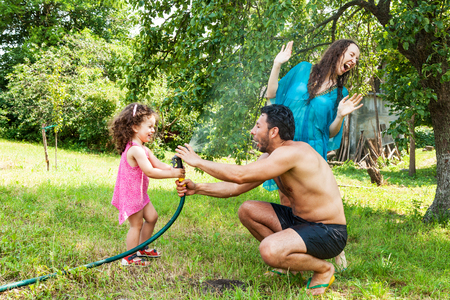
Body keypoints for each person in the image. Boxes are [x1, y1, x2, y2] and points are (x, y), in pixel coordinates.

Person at [175, 105, 346, 296]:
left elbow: (239, 175)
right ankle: (291, 264)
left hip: (328, 232)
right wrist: (198, 188)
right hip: (300, 224)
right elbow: (235, 187)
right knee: (248, 209)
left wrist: (198, 161)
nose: (252, 131)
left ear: (274, 132)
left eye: (257, 126)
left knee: (269, 250)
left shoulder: (293, 153)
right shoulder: (271, 156)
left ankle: (323, 269)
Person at [110, 103, 185, 266]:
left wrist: (173, 168)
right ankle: (129, 257)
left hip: (140, 194)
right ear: (136, 127)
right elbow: (150, 171)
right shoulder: (135, 150)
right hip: (132, 195)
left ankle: (142, 248)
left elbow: (157, 164)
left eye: (154, 127)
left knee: (152, 217)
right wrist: (172, 174)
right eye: (149, 126)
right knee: (135, 225)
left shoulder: (142, 148)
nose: (153, 130)